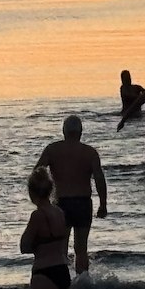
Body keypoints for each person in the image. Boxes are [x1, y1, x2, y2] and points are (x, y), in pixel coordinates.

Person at [34, 115, 107, 274]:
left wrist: (41, 199)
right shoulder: (89, 152)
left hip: (61, 203)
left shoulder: (52, 149)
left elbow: (38, 172)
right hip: (83, 203)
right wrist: (103, 204)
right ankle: (83, 282)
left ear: (63, 131)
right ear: (81, 132)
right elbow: (99, 178)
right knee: (81, 248)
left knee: (61, 247)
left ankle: (62, 283)